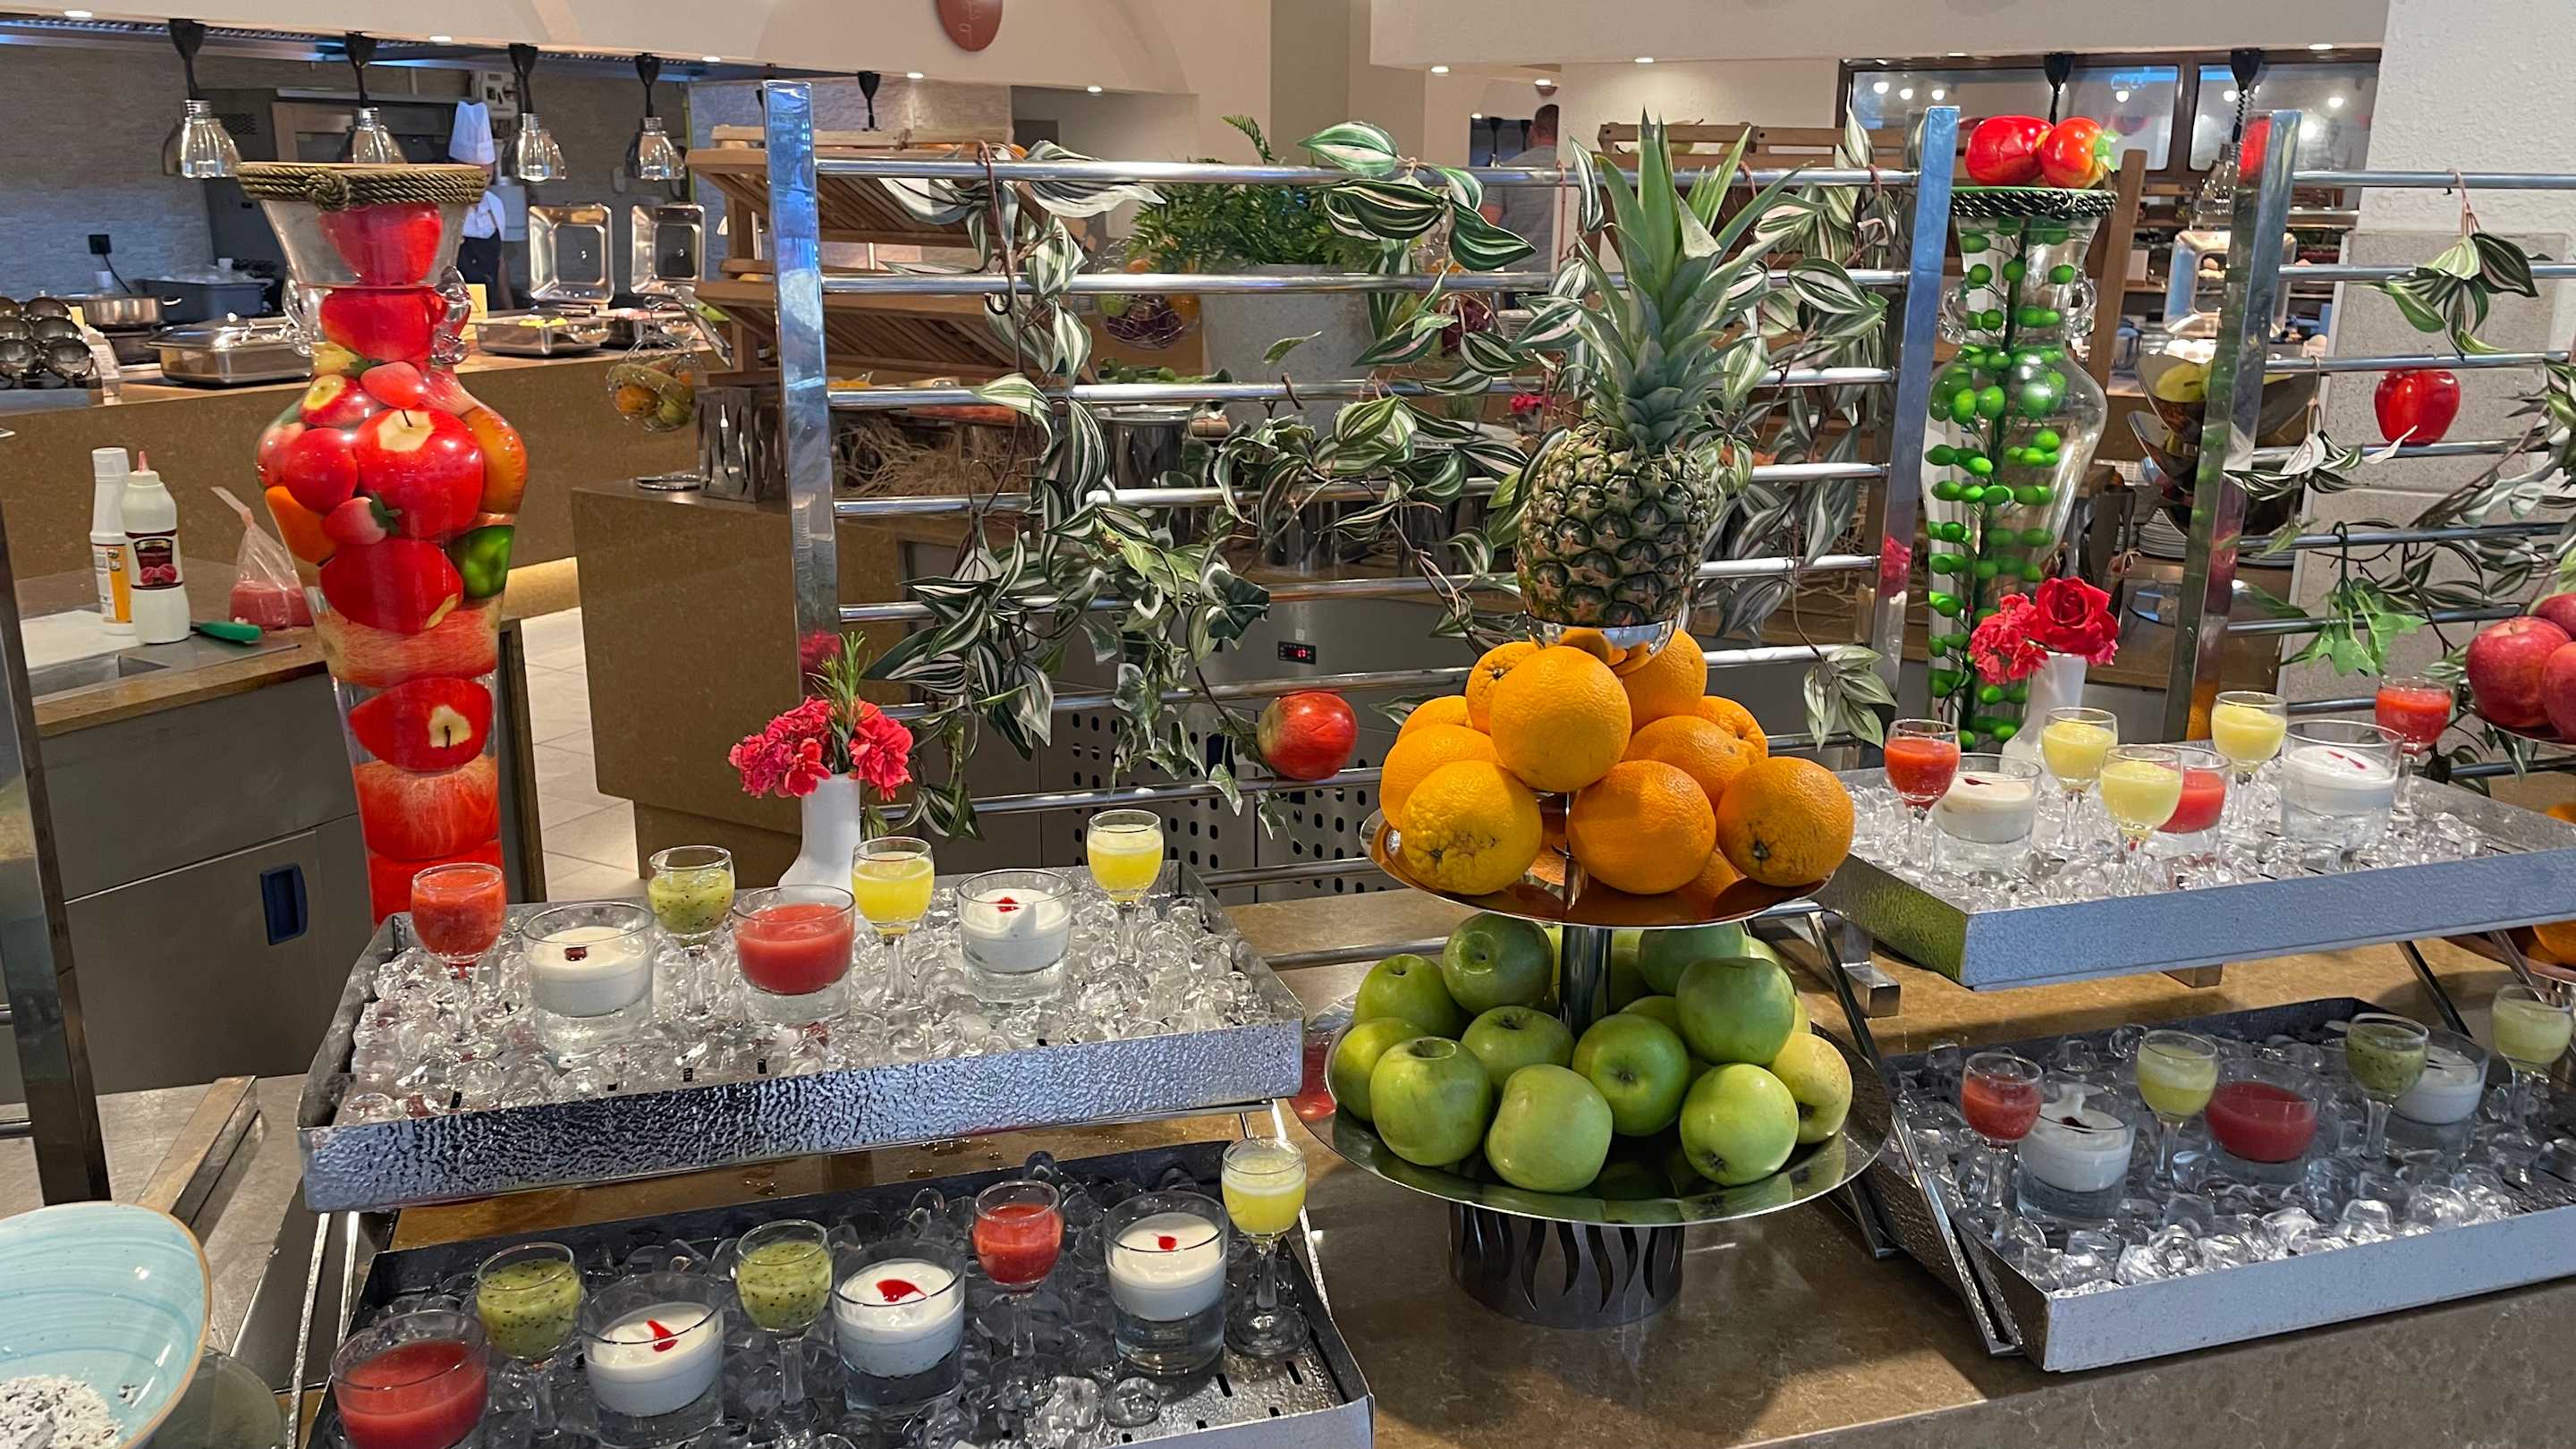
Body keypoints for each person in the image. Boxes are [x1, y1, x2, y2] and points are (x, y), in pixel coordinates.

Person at [448, 99, 513, 309]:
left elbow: (499, 263)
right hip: (454, 309)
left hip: (490, 307)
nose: (480, 185)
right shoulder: (443, 208)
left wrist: (510, 311)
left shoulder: (495, 205)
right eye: (472, 178)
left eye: (486, 177)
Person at [1482, 105, 1562, 266]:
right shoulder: (1573, 171)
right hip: (1565, 271)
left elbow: (1484, 225)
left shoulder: (1510, 170)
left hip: (1518, 270)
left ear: (1533, 130)